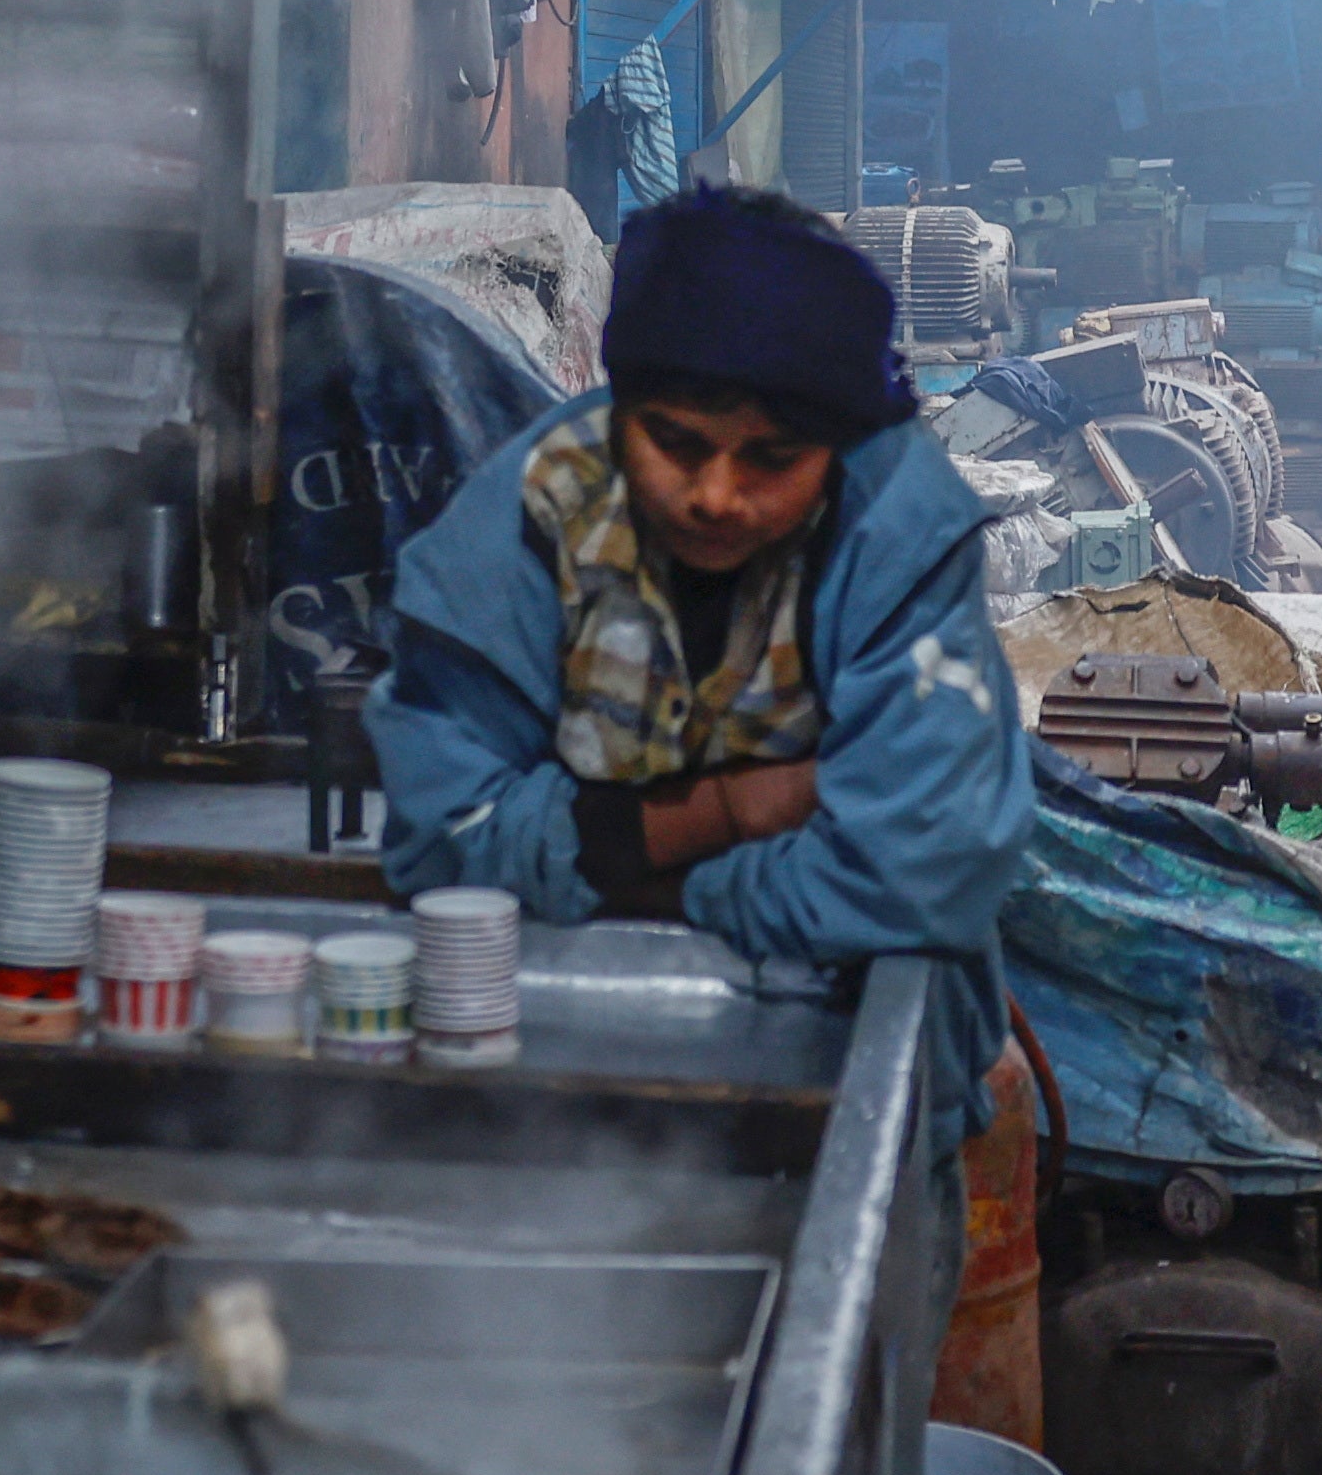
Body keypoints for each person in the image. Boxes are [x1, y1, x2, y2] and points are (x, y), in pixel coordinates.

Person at [371, 183, 1031, 1143]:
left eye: (771, 459)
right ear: (618, 408)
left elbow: (922, 874)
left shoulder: (901, 534)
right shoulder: (515, 533)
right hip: (544, 1089)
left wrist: (626, 866)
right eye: (675, 444)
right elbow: (438, 848)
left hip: (882, 1095)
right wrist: (737, 809)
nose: (717, 496)